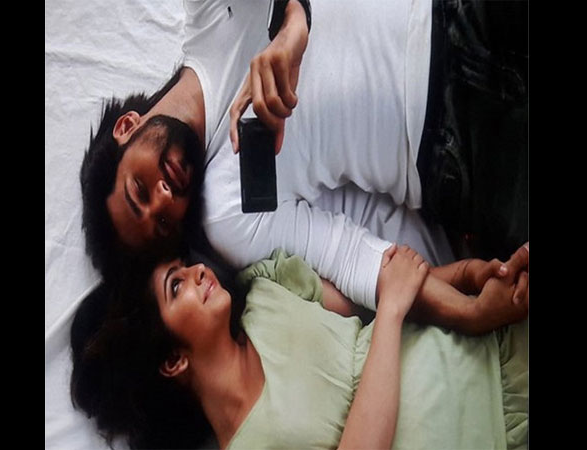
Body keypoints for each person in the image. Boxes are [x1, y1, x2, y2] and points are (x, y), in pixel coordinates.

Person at [80, 1, 528, 314]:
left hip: (451, 14)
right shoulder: (228, 210)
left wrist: (294, 18)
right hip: (457, 153)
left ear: (126, 127)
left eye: (139, 191)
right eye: (163, 222)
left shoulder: (208, 17)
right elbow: (354, 259)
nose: (163, 197)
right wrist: (469, 308)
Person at [70, 247, 528, 449]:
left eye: (184, 265)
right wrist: (390, 313)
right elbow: (391, 303)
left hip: (499, 350)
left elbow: (378, 291)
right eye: (177, 286)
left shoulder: (266, 289)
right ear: (172, 360)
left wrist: (468, 279)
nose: (198, 271)